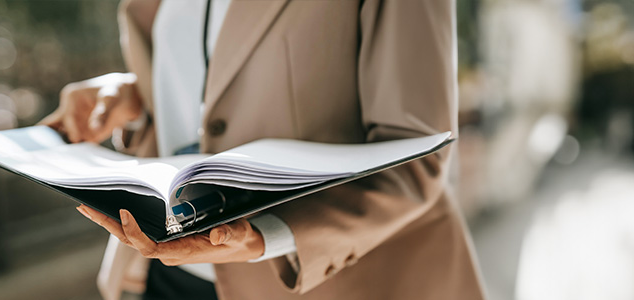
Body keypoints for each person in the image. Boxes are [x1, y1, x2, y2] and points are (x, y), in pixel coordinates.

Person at [40, 0, 485, 299]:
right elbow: (205, 80)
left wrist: (265, 235)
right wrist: (131, 96)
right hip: (166, 276)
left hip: (325, 280)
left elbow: (416, 153)